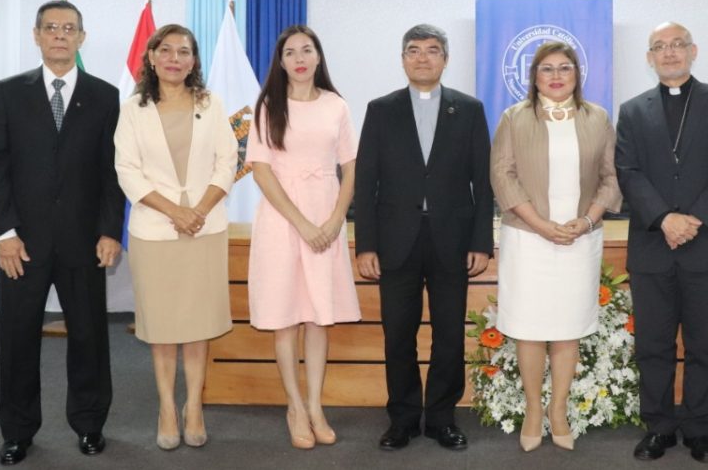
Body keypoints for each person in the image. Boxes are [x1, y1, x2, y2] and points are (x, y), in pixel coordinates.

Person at [0, 0, 125, 465]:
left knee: (89, 337)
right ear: (36, 35)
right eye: (51, 28)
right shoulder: (9, 92)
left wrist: (109, 231)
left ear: (82, 37)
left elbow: (111, 172)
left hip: (84, 241)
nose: (60, 35)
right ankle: (18, 432)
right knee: (18, 337)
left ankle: (89, 424)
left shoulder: (105, 96)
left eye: (69, 28)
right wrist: (5, 233)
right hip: (22, 243)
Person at [354, 24, 494, 452]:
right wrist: (366, 245)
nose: (422, 58)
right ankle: (403, 418)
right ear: (402, 59)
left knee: (449, 333)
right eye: (413, 51)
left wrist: (481, 242)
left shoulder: (469, 110)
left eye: (432, 51)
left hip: (452, 241)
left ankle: (441, 417)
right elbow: (366, 181)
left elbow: (482, 183)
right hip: (396, 241)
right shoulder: (381, 109)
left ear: (445, 59)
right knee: (398, 333)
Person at [615, 22, 708, 464]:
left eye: (677, 45)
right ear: (649, 58)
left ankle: (698, 429)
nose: (669, 53)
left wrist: (696, 218)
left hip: (705, 243)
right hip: (653, 245)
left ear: (694, 51)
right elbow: (628, 171)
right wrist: (664, 218)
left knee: (704, 345)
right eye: (659, 47)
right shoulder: (633, 110)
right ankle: (658, 426)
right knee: (653, 344)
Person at [490, 42, 622, 453]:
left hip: (579, 240)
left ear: (577, 74)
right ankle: (533, 410)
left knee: (567, 329)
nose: (556, 75)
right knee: (529, 330)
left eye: (565, 68)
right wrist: (541, 225)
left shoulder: (597, 118)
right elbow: (502, 175)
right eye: (546, 69)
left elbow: (611, 178)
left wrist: (585, 220)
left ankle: (558, 410)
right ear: (534, 76)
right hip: (528, 240)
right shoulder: (514, 118)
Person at [113, 24, 237, 450]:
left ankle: (194, 406)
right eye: (166, 50)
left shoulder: (211, 103)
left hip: (205, 228)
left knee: (198, 324)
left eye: (184, 52)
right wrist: (175, 212)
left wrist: (198, 211)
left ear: (194, 61)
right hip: (154, 231)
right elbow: (127, 170)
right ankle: (167, 406)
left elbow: (227, 162)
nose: (175, 58)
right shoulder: (133, 109)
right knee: (163, 326)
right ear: (151, 57)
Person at [246, 25, 361, 450]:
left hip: (326, 215)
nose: (299, 57)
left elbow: (350, 167)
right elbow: (261, 171)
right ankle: (293, 405)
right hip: (282, 219)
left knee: (317, 316)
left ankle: (315, 405)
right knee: (286, 316)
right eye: (290, 51)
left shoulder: (336, 105)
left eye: (306, 50)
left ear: (317, 57)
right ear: (280, 61)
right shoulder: (267, 106)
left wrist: (335, 220)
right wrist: (303, 224)